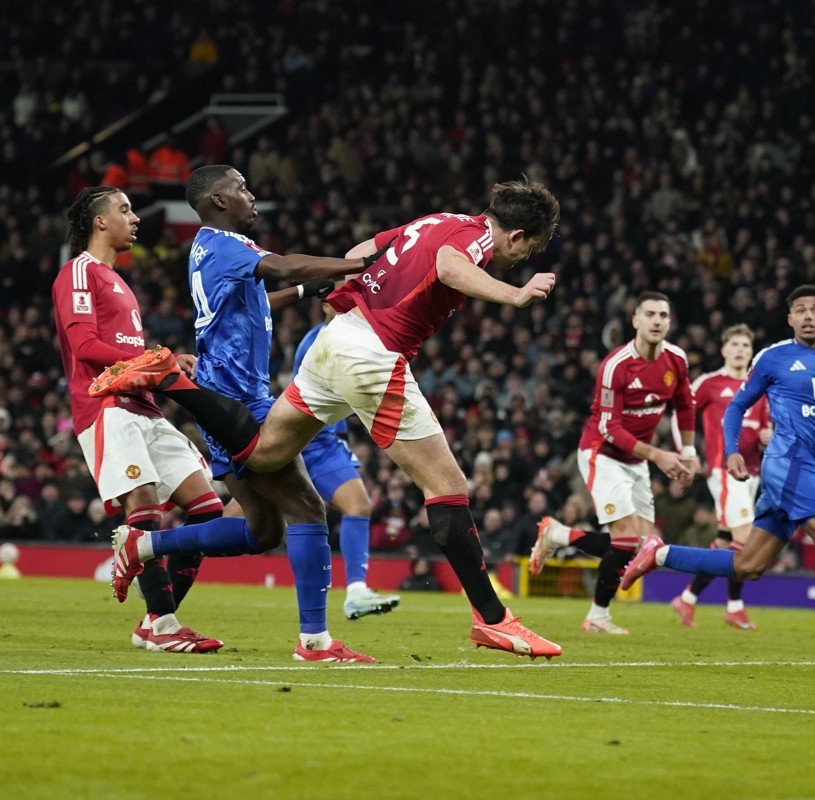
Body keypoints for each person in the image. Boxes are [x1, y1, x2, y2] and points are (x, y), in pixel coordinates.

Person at [91, 174, 564, 659]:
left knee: (267, 459)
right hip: (368, 353)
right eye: (522, 255)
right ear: (516, 235)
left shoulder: (438, 220)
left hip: (335, 339)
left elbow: (372, 247)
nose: (516, 262)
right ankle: (492, 619)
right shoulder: (477, 239)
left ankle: (155, 546)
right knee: (446, 484)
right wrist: (515, 294)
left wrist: (343, 287)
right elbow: (447, 266)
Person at [98, 166, 395, 662]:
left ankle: (142, 547)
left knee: (264, 530)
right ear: (218, 199)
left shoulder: (210, 249)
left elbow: (262, 295)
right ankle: (314, 642)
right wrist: (354, 265)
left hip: (226, 396)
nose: (252, 196)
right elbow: (282, 267)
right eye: (242, 189)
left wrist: (306, 292)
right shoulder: (225, 243)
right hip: (238, 399)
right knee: (306, 507)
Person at [620, 285, 815, 653]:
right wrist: (730, 453)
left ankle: (658, 554)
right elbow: (736, 408)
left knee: (748, 565)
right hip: (788, 461)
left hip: (805, 464)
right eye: (800, 310)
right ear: (790, 319)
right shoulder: (773, 357)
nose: (808, 316)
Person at [51, 186, 223, 653]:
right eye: (125, 210)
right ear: (99, 222)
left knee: (207, 508)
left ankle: (153, 620)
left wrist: (162, 359)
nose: (135, 218)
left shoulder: (118, 281)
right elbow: (86, 348)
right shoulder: (79, 273)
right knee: (144, 507)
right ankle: (165, 627)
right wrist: (156, 359)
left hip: (144, 405)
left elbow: (129, 354)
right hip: (105, 407)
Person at [529, 291, 697, 634]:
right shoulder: (615, 365)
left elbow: (685, 406)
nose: (656, 321)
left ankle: (561, 537)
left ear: (669, 322)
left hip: (636, 458)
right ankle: (597, 616)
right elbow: (609, 427)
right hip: (601, 453)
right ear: (635, 320)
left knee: (641, 546)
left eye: (663, 315)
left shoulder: (677, 360)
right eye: (649, 314)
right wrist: (659, 455)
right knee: (626, 538)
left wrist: (689, 452)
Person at [293, 304, 401, 620]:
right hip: (311, 440)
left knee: (358, 506)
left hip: (326, 440)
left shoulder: (343, 336)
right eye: (344, 300)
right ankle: (157, 547)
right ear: (326, 305)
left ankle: (356, 591)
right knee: (247, 527)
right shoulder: (320, 341)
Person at [669, 323, 769, 631]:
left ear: (751, 353)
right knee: (747, 542)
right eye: (735, 344)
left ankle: (687, 598)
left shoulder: (758, 388)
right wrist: (687, 450)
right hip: (726, 472)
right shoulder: (710, 383)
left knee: (725, 543)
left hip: (752, 474)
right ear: (724, 349)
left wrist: (769, 435)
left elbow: (766, 429)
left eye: (745, 346)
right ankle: (735, 607)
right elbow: (680, 411)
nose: (740, 350)